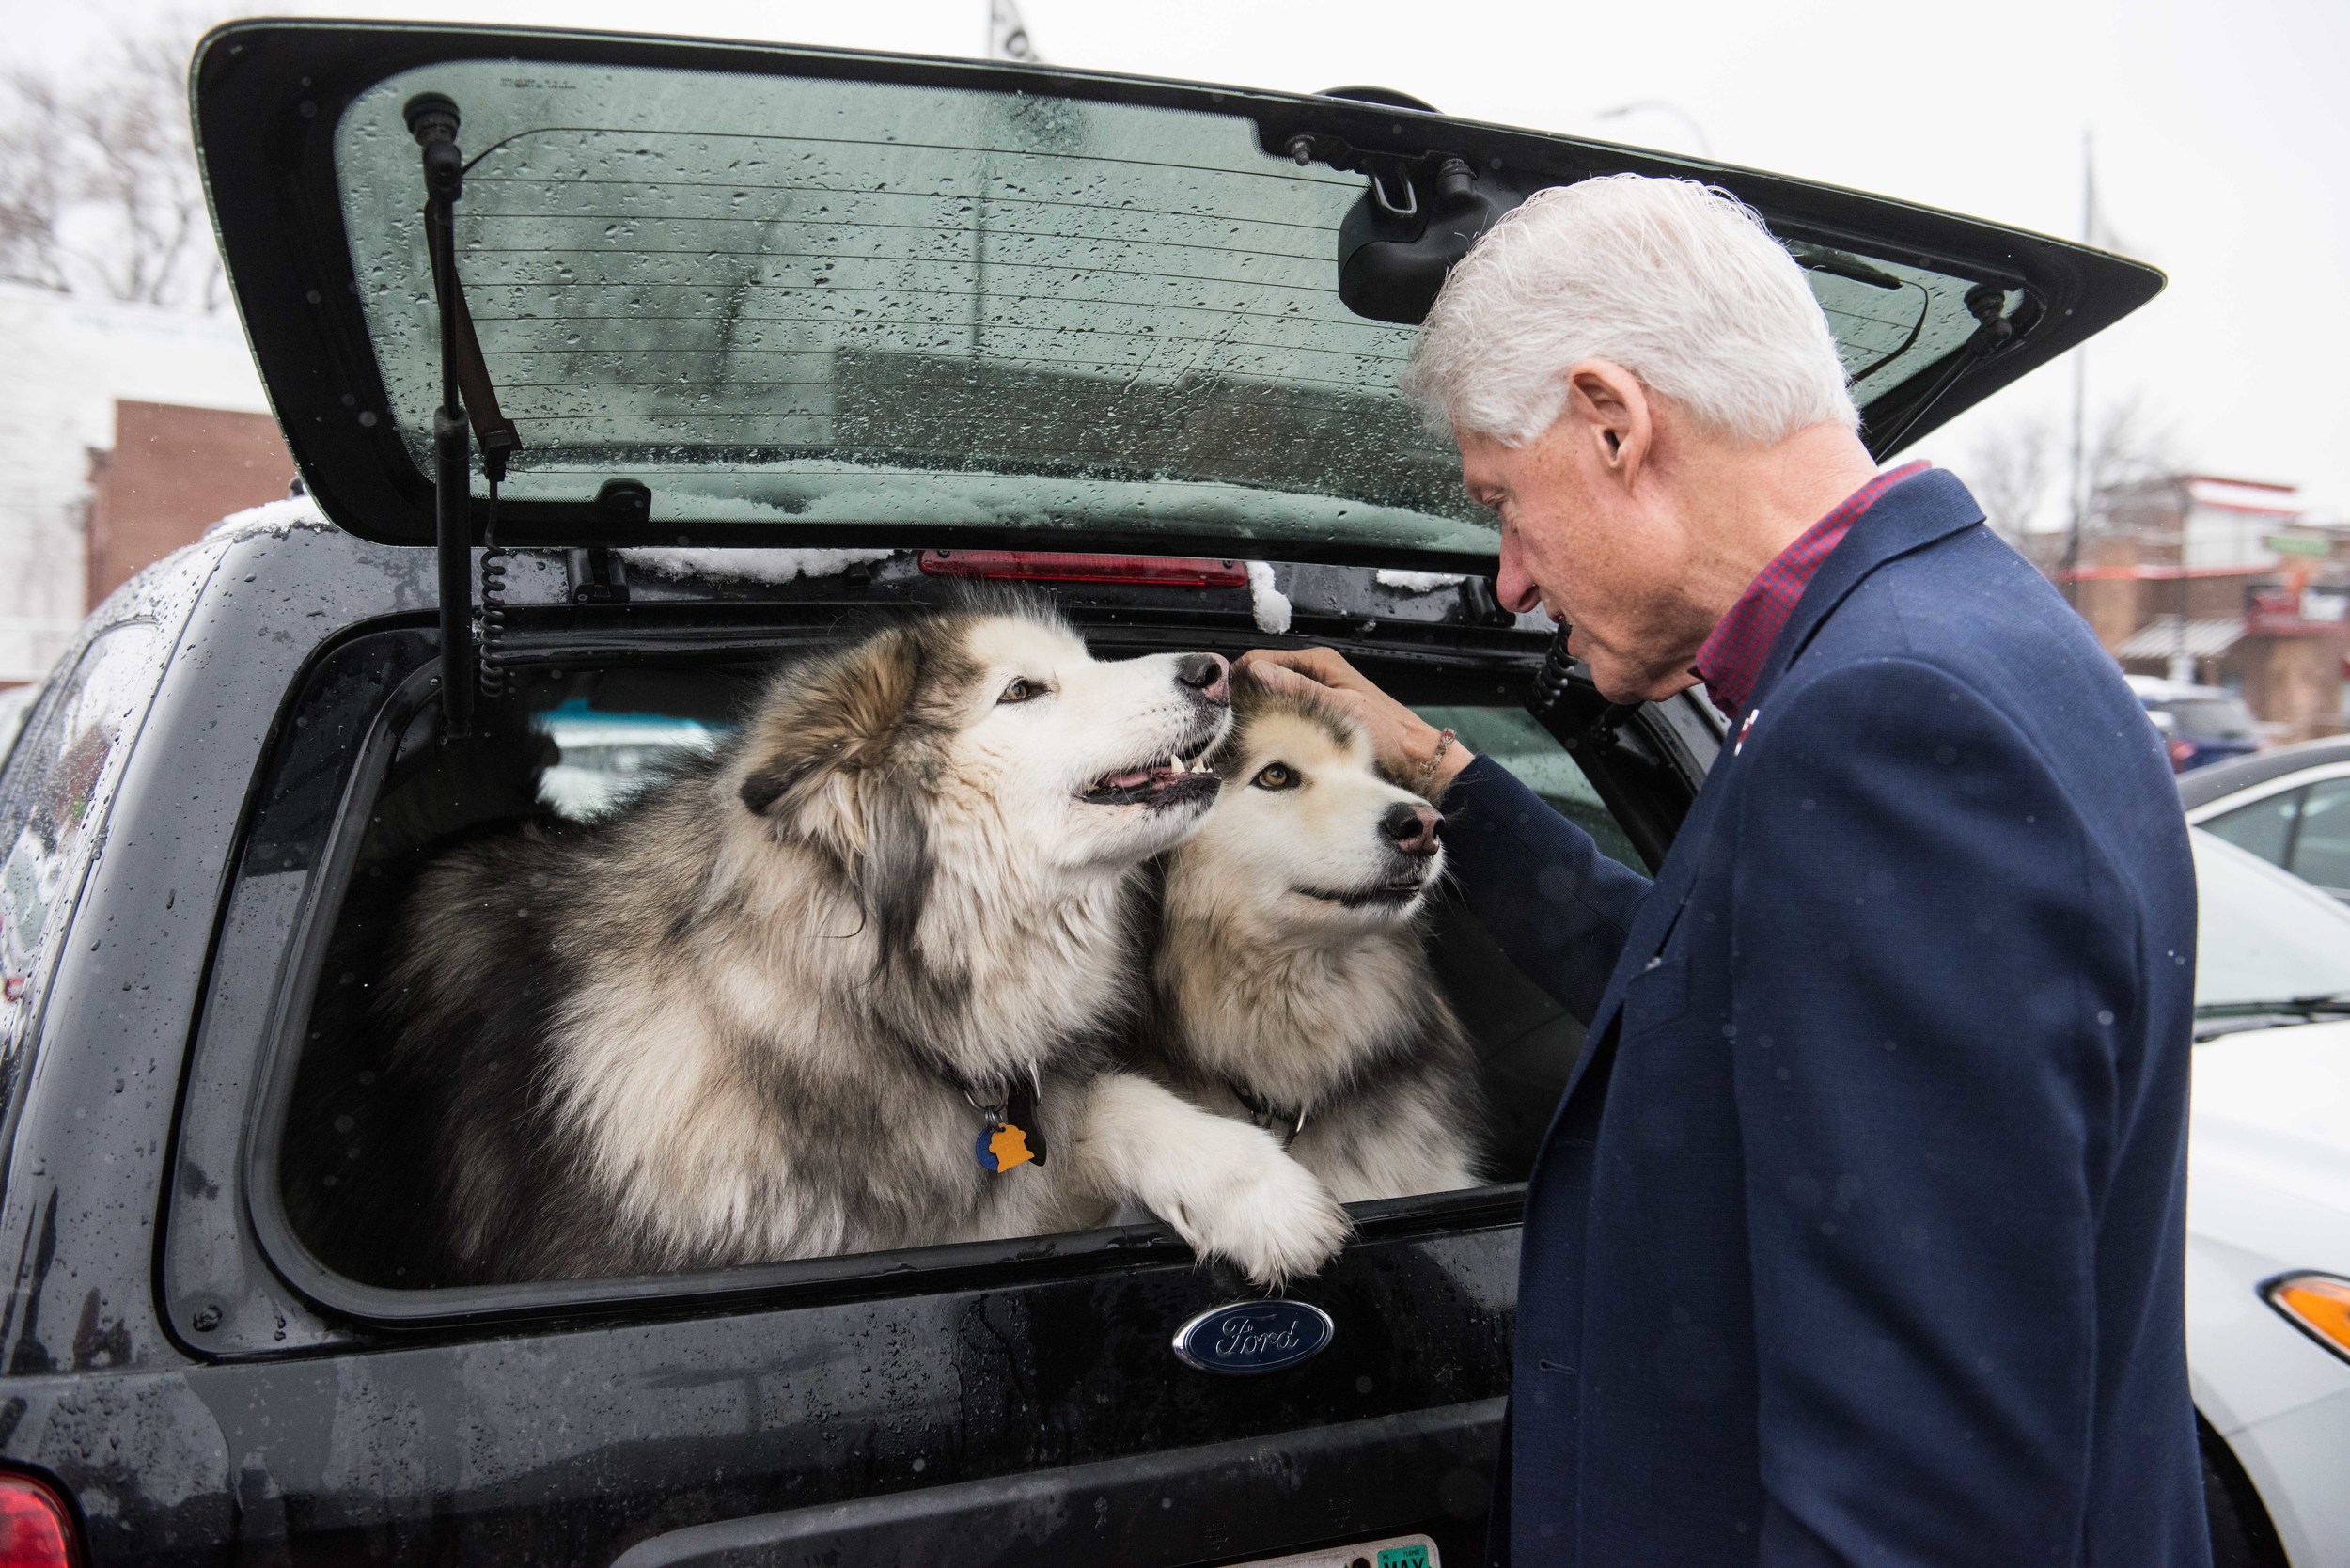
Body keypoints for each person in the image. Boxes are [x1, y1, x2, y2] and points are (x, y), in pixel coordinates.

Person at [1240, 175, 2208, 1567]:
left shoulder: (1889, 725)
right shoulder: (1968, 644)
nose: (1509, 580)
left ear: (1614, 421)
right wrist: (1449, 774)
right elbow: (1705, 987)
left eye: (1507, 501)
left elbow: (1923, 1496)